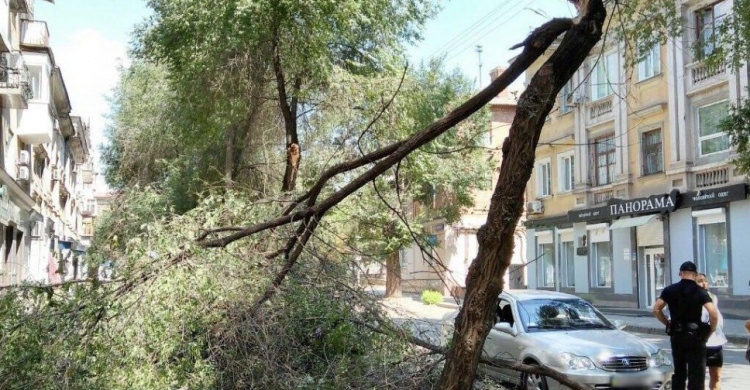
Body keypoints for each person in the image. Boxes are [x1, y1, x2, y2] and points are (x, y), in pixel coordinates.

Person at [653, 261, 718, 390]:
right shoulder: (700, 291)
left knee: (679, 372)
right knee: (697, 374)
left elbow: (656, 309)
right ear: (695, 275)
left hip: (677, 335)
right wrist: (711, 329)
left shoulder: (669, 290)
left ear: (680, 273)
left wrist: (667, 323)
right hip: (695, 336)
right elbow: (713, 313)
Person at [697, 273, 726, 390]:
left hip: (716, 342)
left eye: (705, 280)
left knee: (717, 376)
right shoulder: (690, 299)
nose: (703, 283)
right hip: (700, 343)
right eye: (699, 281)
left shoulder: (713, 297)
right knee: (699, 378)